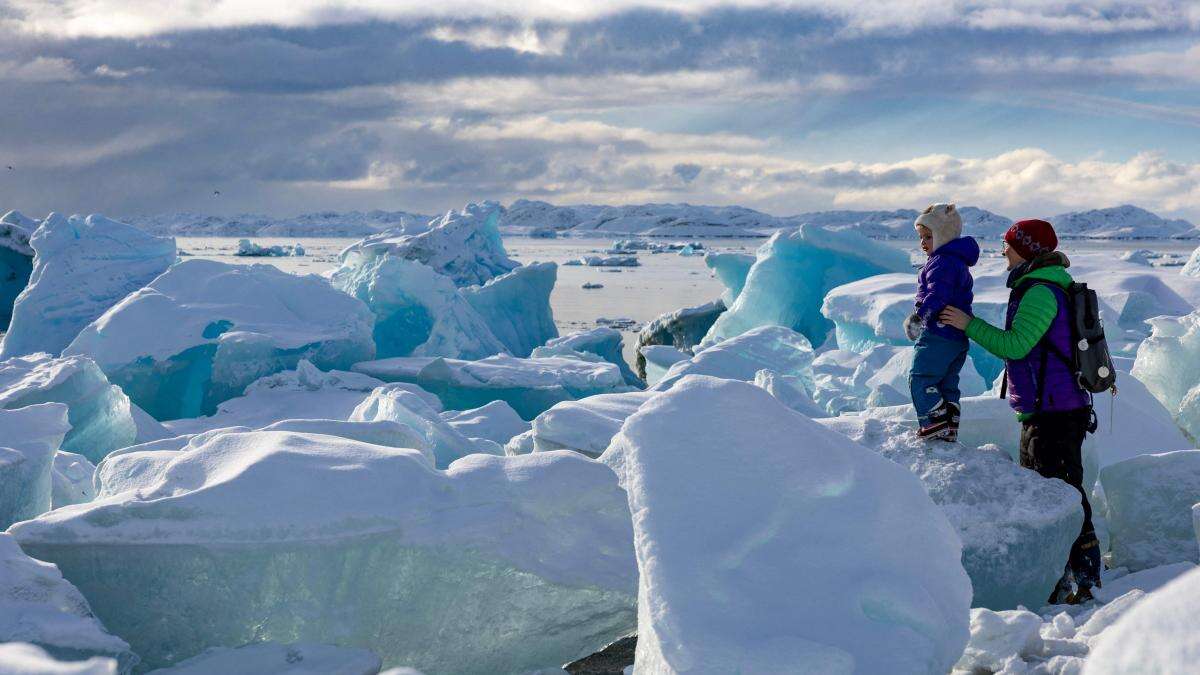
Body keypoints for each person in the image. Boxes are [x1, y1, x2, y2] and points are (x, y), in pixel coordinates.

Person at [939, 218, 1101, 604]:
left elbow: (1015, 345)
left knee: (1061, 495)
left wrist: (968, 324)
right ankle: (1063, 577)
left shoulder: (1040, 292)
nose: (1002, 251)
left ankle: (1085, 577)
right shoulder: (1039, 286)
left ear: (1027, 249)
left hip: (1056, 413)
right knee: (1055, 491)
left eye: (1008, 244)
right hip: (1048, 410)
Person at [905, 203, 979, 442]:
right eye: (921, 237)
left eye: (928, 236)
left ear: (944, 236)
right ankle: (949, 424)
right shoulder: (957, 262)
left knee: (921, 377)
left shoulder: (942, 262)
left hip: (938, 333)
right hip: (957, 336)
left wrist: (919, 317)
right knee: (947, 382)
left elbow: (937, 295)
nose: (923, 243)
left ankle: (934, 422)